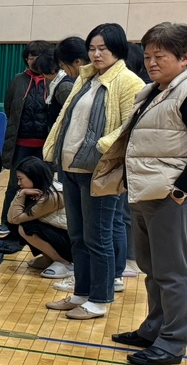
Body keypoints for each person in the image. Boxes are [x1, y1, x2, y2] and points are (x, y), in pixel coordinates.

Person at [112, 23, 187, 365]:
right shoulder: (154, 91)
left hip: (172, 198)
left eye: (159, 56)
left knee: (172, 273)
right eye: (148, 56)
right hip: (146, 192)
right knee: (152, 268)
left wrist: (180, 192)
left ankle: (172, 343)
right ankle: (154, 329)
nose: (150, 62)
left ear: (184, 58)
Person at [43, 22, 145, 321]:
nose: (97, 54)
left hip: (99, 171)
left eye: (103, 48)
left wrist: (99, 148)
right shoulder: (85, 79)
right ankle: (81, 293)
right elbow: (66, 120)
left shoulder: (128, 82)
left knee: (98, 238)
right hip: (70, 168)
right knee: (77, 236)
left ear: (118, 49)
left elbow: (129, 127)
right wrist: (54, 150)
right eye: (92, 48)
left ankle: (99, 299)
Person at [0, 47, 58, 240]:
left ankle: (40, 223)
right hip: (21, 143)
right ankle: (7, 222)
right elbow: (9, 107)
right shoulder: (18, 80)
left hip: (45, 145)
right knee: (15, 184)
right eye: (30, 57)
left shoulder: (55, 81)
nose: (33, 60)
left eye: (37, 56)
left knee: (45, 184)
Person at [7, 157, 72, 278]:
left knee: (27, 228)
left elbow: (15, 218)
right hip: (61, 235)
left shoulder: (54, 195)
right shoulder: (37, 190)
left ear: (34, 176)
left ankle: (64, 263)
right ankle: (49, 258)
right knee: (18, 226)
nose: (19, 183)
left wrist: (21, 194)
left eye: (21, 179)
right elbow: (11, 219)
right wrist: (21, 194)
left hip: (72, 241)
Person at [47, 36, 88, 128]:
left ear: (77, 62)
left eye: (63, 66)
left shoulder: (92, 83)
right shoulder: (81, 81)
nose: (64, 71)